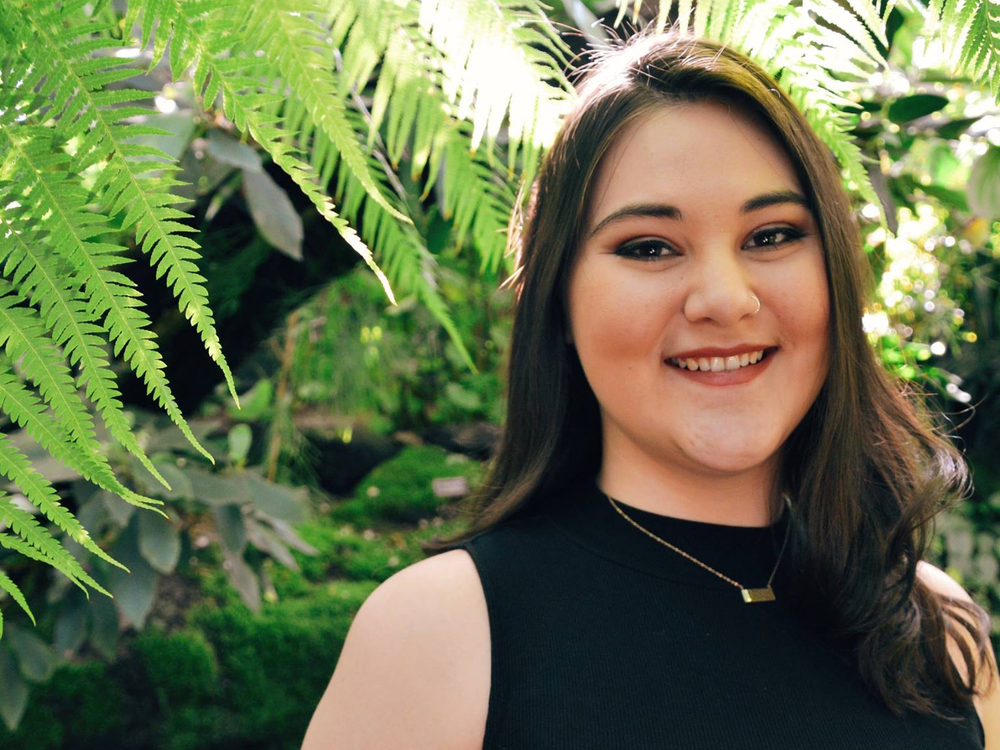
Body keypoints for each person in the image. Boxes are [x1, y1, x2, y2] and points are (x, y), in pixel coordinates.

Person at [301, 28, 999, 750]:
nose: (726, 300)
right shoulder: (440, 634)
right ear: (560, 301)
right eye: (649, 247)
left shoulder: (938, 633)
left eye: (771, 235)